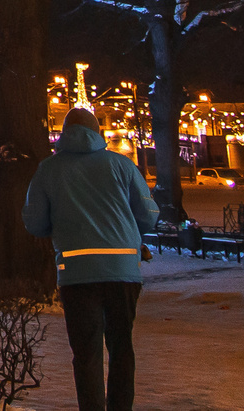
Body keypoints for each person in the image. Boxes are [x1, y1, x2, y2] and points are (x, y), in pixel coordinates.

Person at [24, 107, 159, 411]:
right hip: (122, 271)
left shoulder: (49, 169)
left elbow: (34, 222)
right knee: (121, 347)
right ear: (98, 133)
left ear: (64, 133)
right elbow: (149, 216)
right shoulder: (122, 165)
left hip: (77, 275)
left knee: (86, 354)